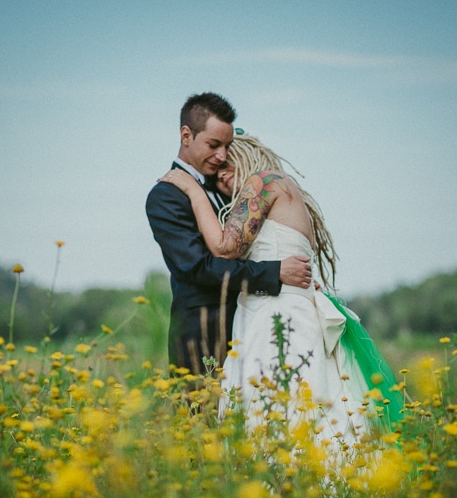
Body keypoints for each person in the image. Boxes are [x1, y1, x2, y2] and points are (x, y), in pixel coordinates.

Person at [159, 133, 400, 463]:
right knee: (293, 404)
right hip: (275, 308)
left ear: (247, 157)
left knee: (278, 406)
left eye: (227, 166)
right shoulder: (283, 193)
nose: (222, 177)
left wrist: (191, 189)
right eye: (215, 177)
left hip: (275, 316)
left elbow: (225, 249)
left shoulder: (264, 181)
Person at [145, 93, 314, 375]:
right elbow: (199, 268)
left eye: (227, 147)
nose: (222, 156)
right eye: (213, 145)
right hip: (203, 337)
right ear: (186, 135)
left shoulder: (231, 189)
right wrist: (275, 273)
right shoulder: (166, 197)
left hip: (252, 327)